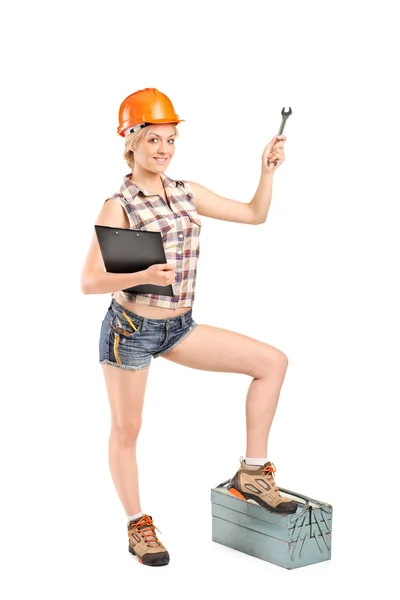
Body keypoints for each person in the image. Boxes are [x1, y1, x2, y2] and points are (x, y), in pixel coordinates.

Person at [80, 87, 295, 568]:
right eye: (153, 139)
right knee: (128, 428)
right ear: (130, 141)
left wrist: (266, 171)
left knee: (271, 363)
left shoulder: (186, 193)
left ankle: (253, 474)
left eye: (171, 140)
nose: (163, 150)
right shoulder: (119, 205)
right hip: (131, 329)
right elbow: (89, 281)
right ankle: (139, 525)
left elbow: (254, 215)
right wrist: (140, 274)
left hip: (178, 327)